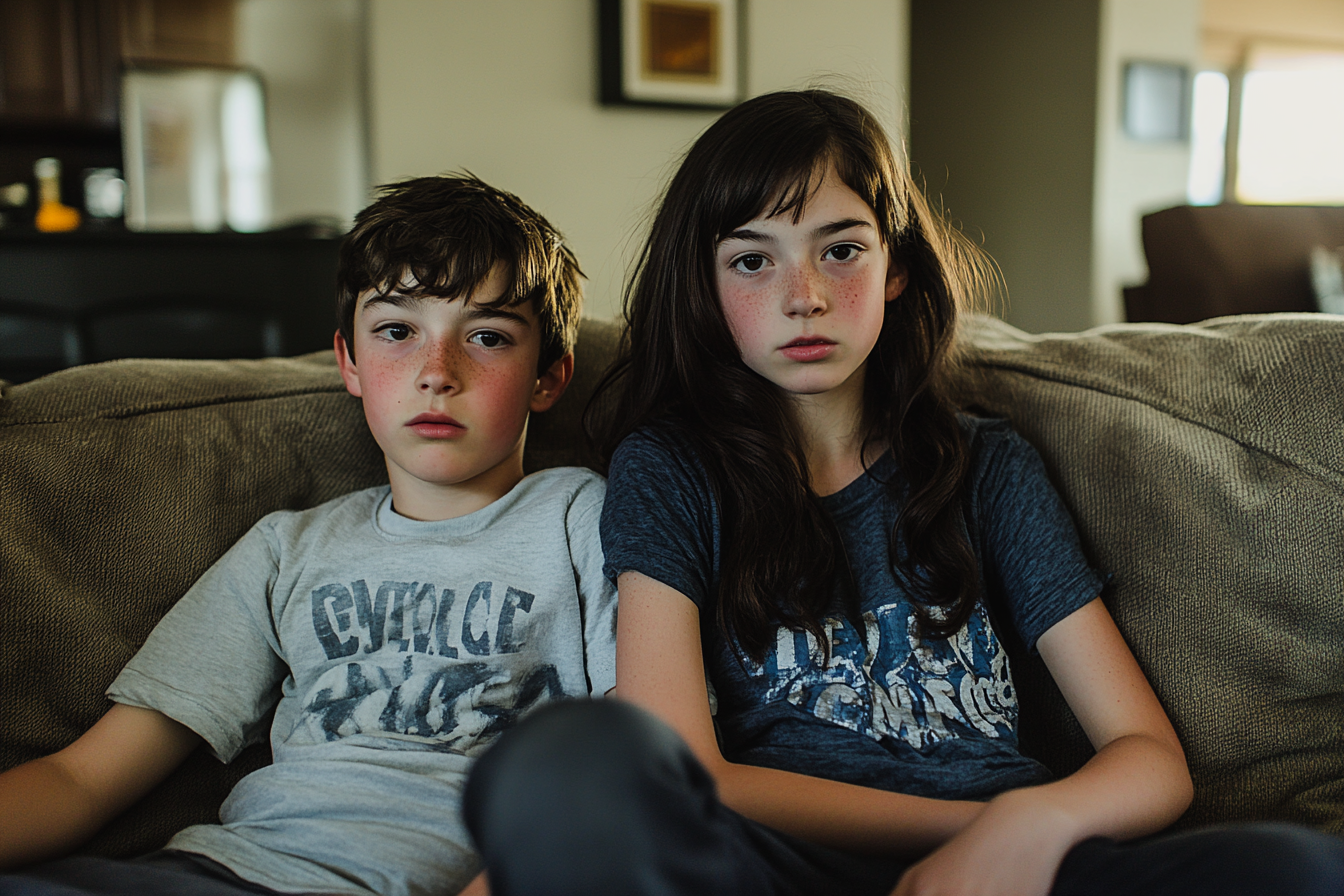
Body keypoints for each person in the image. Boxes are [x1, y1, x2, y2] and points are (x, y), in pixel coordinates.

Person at [462, 91, 1344, 896]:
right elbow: (686, 767)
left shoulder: (988, 468)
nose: (802, 297)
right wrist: (983, 830)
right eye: (752, 262)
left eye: (839, 250)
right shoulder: (673, 469)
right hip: (773, 864)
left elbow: (1151, 759)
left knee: (1295, 866)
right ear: (706, 286)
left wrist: (1038, 824)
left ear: (895, 268)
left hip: (1021, 872)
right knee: (562, 764)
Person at [0, 175, 617, 896]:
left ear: (550, 377)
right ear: (348, 363)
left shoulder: (583, 517)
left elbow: (641, 755)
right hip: (216, 870)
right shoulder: (286, 549)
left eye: (487, 336)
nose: (436, 373)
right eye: (396, 331)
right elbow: (83, 777)